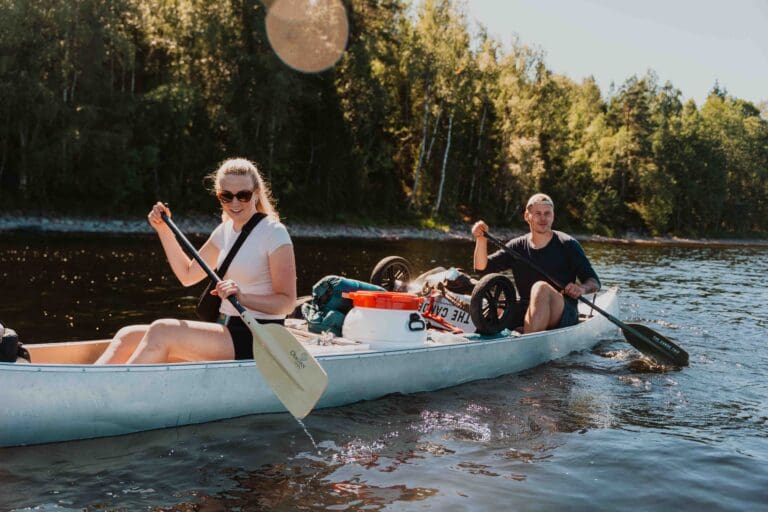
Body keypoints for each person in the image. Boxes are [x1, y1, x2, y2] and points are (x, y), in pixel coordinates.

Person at [95, 158, 296, 364]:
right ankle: (94, 382)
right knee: (127, 336)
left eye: (243, 195)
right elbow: (187, 275)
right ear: (219, 196)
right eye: (226, 196)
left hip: (260, 337)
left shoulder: (274, 233)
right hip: (226, 328)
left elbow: (287, 304)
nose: (235, 203)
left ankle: (117, 384)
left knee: (162, 331)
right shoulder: (224, 231)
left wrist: (243, 298)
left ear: (256, 193)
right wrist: (163, 230)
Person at [471, 193, 600, 334]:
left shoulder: (568, 244)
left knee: (540, 287)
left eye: (547, 213)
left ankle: (526, 337)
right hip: (526, 309)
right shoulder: (517, 246)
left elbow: (594, 281)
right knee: (498, 308)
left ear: (553, 216)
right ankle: (520, 331)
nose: (543, 218)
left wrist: (581, 289)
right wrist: (481, 239)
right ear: (527, 216)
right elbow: (482, 267)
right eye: (538, 213)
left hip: (564, 312)